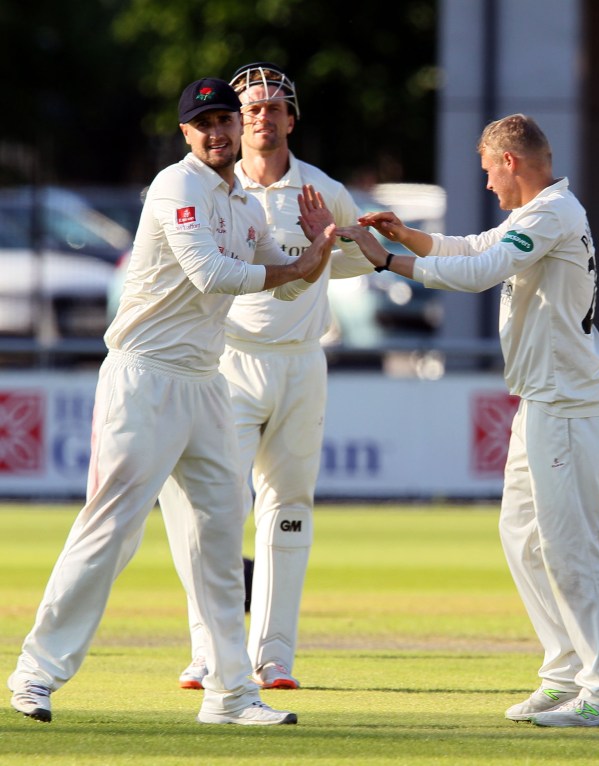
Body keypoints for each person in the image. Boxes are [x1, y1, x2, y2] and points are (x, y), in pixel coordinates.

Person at [7, 77, 336, 726]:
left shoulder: (244, 204)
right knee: (112, 530)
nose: (217, 132)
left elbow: (289, 287)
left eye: (224, 120)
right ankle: (35, 674)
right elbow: (213, 274)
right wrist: (297, 267)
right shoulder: (175, 186)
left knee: (219, 535)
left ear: (238, 127)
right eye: (203, 124)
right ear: (186, 133)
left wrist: (318, 249)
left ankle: (230, 694)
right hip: (145, 377)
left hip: (207, 381)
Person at [336, 114, 599, 728]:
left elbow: (479, 273)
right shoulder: (536, 214)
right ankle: (565, 672)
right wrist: (410, 237)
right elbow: (476, 248)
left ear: (510, 162)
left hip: (567, 401)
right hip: (543, 401)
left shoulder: (552, 213)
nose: (487, 185)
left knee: (571, 549)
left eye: (488, 172)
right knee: (523, 538)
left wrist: (388, 262)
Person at [169, 62, 373, 693]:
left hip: (302, 363)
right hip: (229, 363)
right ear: (238, 121)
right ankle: (208, 651)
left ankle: (274, 656)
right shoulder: (215, 190)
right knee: (216, 510)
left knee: (288, 510)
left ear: (291, 118)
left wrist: (318, 255)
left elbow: (356, 256)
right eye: (251, 108)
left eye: (274, 107)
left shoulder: (322, 189)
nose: (263, 117)